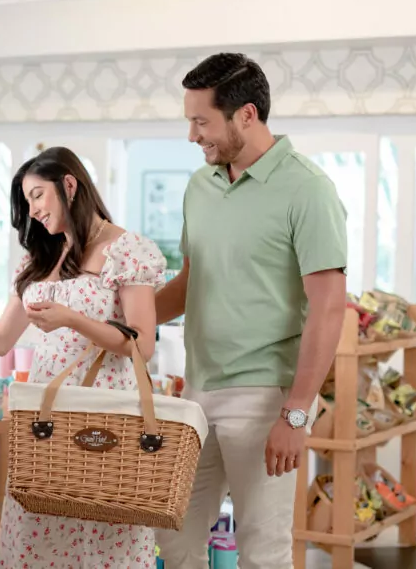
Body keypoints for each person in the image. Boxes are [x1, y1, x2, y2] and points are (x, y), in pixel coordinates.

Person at [0, 146, 167, 568]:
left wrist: (71, 319)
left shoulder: (128, 250)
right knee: (34, 528)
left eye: (37, 195)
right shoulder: (41, 258)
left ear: (69, 185)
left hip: (103, 415)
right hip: (45, 414)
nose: (33, 210)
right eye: (27, 202)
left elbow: (141, 344)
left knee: (101, 532)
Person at [154, 53, 347, 569]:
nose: (193, 135)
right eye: (190, 121)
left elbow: (330, 308)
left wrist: (297, 412)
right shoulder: (201, 185)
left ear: (246, 115)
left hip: (264, 396)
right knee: (174, 542)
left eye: (202, 121)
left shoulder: (308, 190)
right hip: (196, 392)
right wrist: (121, 320)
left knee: (262, 553)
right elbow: (192, 282)